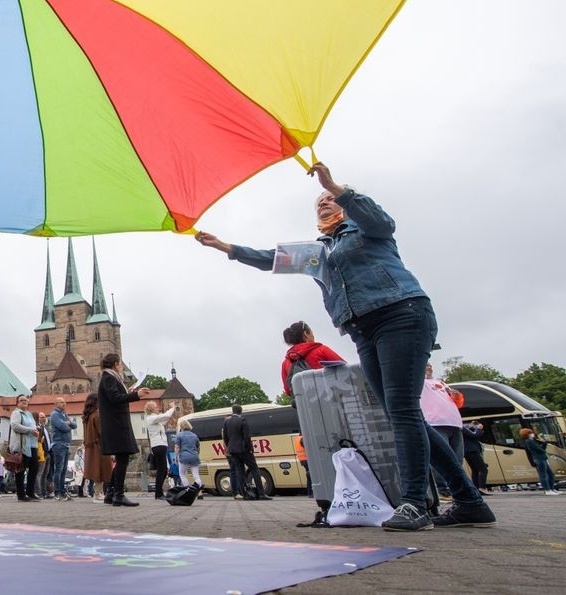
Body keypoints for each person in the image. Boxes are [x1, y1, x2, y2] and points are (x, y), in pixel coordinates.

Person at [195, 162, 494, 530]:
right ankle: (469, 501)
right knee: (403, 414)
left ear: (345, 204)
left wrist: (335, 186)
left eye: (330, 199)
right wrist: (226, 246)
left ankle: (414, 503)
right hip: (362, 328)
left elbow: (384, 221)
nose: (323, 202)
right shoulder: (320, 251)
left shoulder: (367, 229)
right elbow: (272, 258)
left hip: (400, 312)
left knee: (401, 410)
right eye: (318, 201)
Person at [97, 355, 152, 507]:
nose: (121, 366)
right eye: (120, 364)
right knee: (123, 458)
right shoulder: (109, 378)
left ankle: (110, 494)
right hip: (116, 423)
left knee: (122, 457)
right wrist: (136, 395)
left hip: (116, 423)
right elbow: (115, 398)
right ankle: (118, 495)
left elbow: (115, 396)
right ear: (115, 364)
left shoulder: (110, 377)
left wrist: (133, 392)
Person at [420, 363, 464, 498]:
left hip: (455, 424)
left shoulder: (441, 382)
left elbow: (458, 402)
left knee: (457, 459)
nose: (429, 366)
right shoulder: (418, 382)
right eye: (425, 364)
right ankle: (443, 489)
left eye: (430, 365)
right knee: (442, 458)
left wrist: (457, 397)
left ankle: (459, 489)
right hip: (435, 423)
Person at [281, 321, 345, 399]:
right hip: (331, 399)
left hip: (305, 406)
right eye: (311, 333)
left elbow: (288, 390)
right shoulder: (322, 350)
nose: (313, 336)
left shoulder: (286, 362)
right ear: (306, 334)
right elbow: (346, 371)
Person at [222, 405, 270, 501]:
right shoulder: (243, 420)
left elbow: (226, 437)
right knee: (255, 469)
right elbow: (247, 436)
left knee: (240, 471)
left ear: (233, 411)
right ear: (241, 411)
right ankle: (261, 493)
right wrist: (248, 448)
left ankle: (244, 494)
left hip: (233, 451)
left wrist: (230, 447)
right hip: (244, 450)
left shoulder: (227, 422)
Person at [144, 401, 178, 500]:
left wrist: (170, 411)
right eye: (156, 407)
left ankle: (159, 493)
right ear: (151, 409)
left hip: (161, 445)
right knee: (161, 470)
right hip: (158, 445)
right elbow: (166, 416)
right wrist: (172, 408)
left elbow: (164, 420)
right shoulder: (151, 418)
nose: (158, 408)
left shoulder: (155, 420)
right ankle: (158, 494)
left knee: (163, 470)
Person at [9, 396, 40, 502]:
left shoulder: (29, 414)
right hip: (22, 445)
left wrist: (36, 429)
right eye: (22, 400)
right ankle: (21, 495)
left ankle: (30, 492)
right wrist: (31, 430)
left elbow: (33, 427)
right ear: (17, 403)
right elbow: (15, 426)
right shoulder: (16, 413)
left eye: (26, 400)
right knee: (20, 471)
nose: (24, 402)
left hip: (32, 445)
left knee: (34, 469)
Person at [82, 393, 109, 503]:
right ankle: (97, 494)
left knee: (96, 469)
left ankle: (99, 493)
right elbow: (102, 431)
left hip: (90, 445)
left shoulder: (87, 416)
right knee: (100, 469)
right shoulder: (97, 415)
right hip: (99, 445)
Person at [49, 397, 77, 501]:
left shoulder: (64, 414)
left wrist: (68, 423)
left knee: (63, 470)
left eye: (64, 402)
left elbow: (75, 425)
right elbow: (64, 427)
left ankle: (62, 491)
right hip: (59, 444)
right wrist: (68, 424)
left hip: (65, 445)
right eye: (61, 402)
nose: (64, 403)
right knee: (59, 469)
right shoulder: (55, 415)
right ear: (55, 403)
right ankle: (57, 492)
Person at [522, 428, 560, 495]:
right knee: (543, 475)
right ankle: (547, 490)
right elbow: (540, 450)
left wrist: (544, 443)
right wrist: (542, 446)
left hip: (542, 458)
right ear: (527, 435)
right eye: (530, 433)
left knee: (551, 474)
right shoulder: (528, 441)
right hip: (539, 459)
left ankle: (552, 489)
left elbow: (542, 449)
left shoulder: (533, 440)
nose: (532, 434)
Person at [174, 419, 202, 498]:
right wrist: (197, 454)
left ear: (181, 426)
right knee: (196, 475)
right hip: (194, 456)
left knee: (182, 474)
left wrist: (176, 457)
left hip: (184, 457)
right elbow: (198, 447)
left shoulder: (179, 435)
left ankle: (188, 491)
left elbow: (177, 447)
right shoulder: (194, 435)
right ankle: (200, 493)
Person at [461, 421, 489, 494]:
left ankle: (477, 489)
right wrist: (479, 429)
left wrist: (473, 428)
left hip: (468, 451)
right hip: (472, 451)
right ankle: (482, 488)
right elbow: (475, 435)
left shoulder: (465, 429)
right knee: (483, 469)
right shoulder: (463, 428)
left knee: (475, 470)